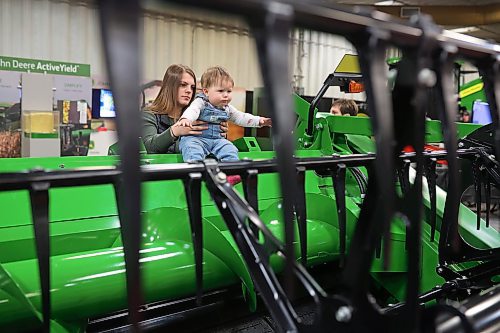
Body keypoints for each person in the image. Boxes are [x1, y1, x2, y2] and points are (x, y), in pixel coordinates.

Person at [177, 66, 272, 183]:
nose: (226, 95)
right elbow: (193, 110)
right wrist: (186, 119)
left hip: (217, 140)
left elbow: (240, 117)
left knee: (229, 148)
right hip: (197, 138)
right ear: (206, 92)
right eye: (221, 91)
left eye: (229, 91)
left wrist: (259, 121)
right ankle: (195, 172)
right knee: (191, 148)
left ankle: (233, 173)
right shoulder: (201, 102)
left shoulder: (227, 108)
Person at [142, 64, 228, 154]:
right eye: (183, 85)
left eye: (192, 87)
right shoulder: (149, 115)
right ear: (169, 86)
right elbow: (149, 147)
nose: (189, 91)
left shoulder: (199, 116)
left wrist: (219, 133)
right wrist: (175, 131)